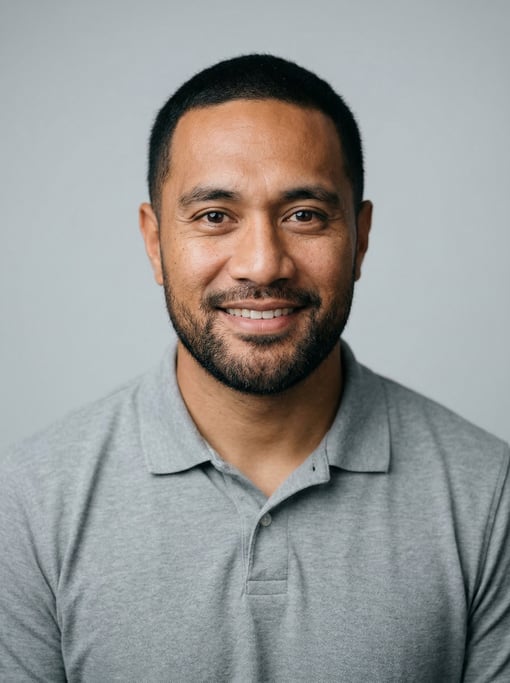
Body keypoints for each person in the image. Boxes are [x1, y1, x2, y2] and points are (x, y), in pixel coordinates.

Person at [1, 54, 509, 682]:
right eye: (215, 217)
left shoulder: (490, 496)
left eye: (305, 216)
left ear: (361, 237)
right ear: (154, 242)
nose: (263, 265)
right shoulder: (23, 503)